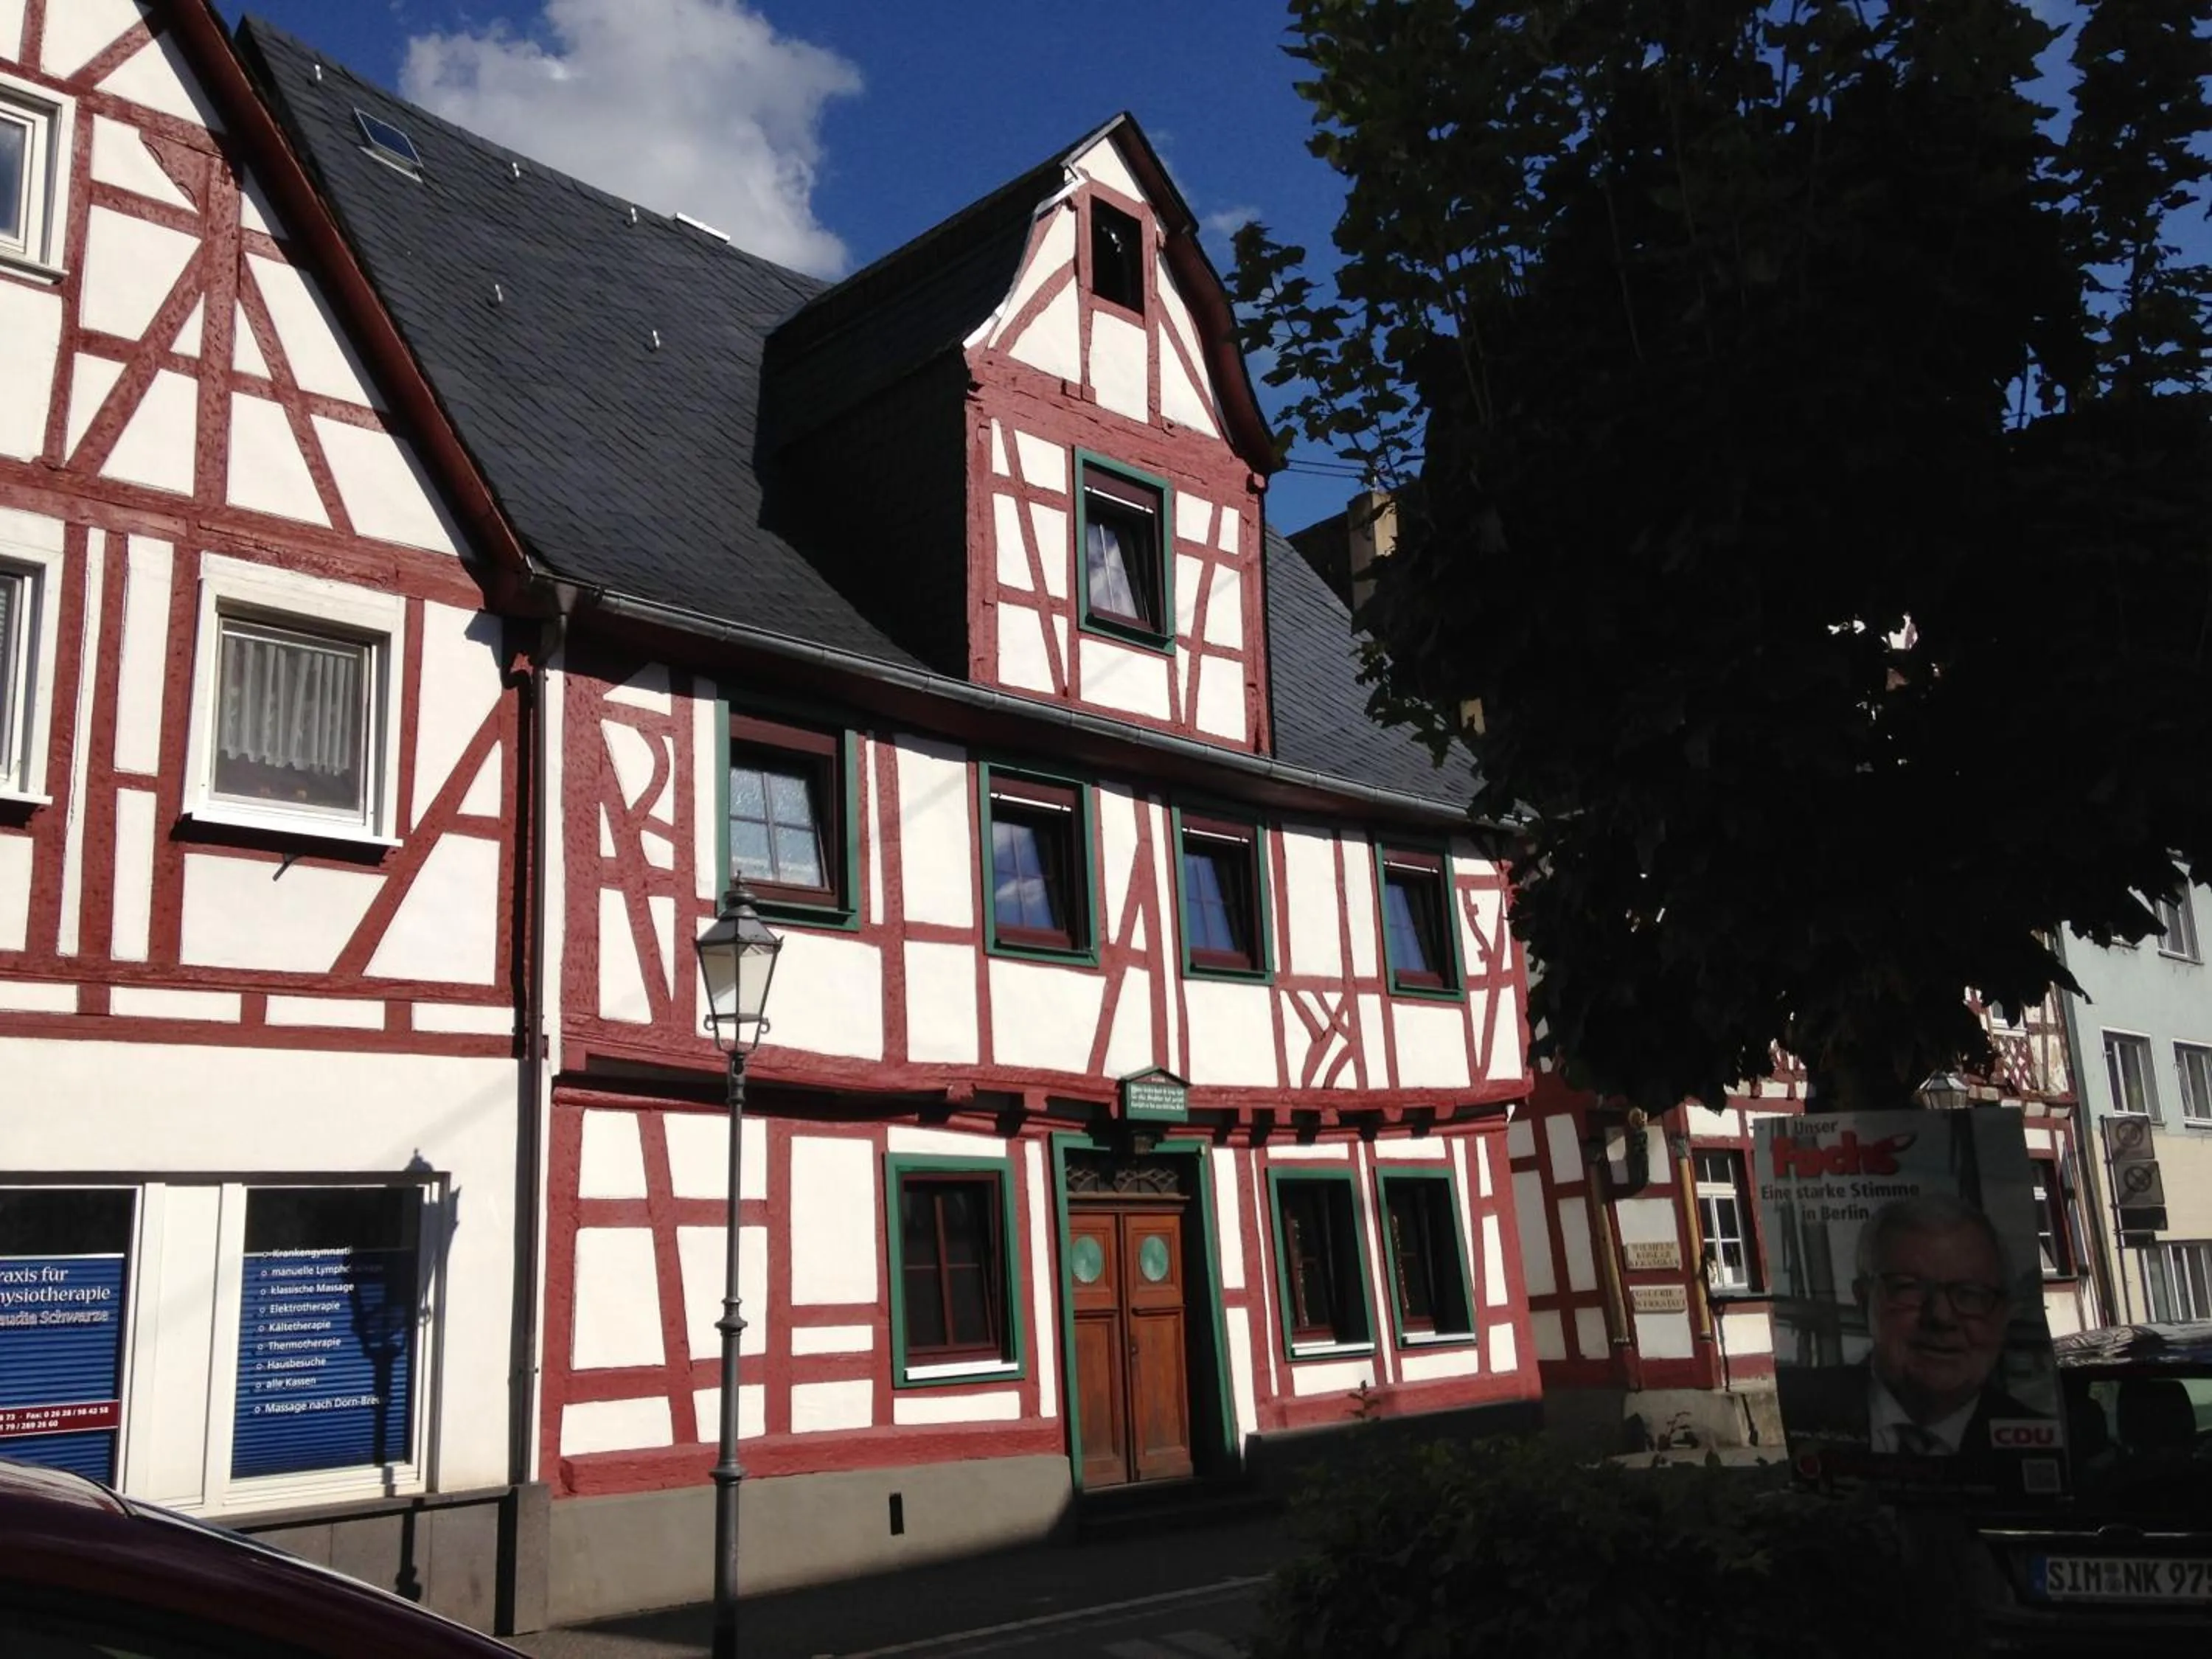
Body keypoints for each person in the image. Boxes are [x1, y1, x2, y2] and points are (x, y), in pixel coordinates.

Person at [1778, 1193, 2050, 1467]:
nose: (1941, 1316)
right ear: (1864, 1301)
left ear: (2004, 1315)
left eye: (1970, 1294)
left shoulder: (2045, 1444)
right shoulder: (1791, 1407)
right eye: (1909, 1288)